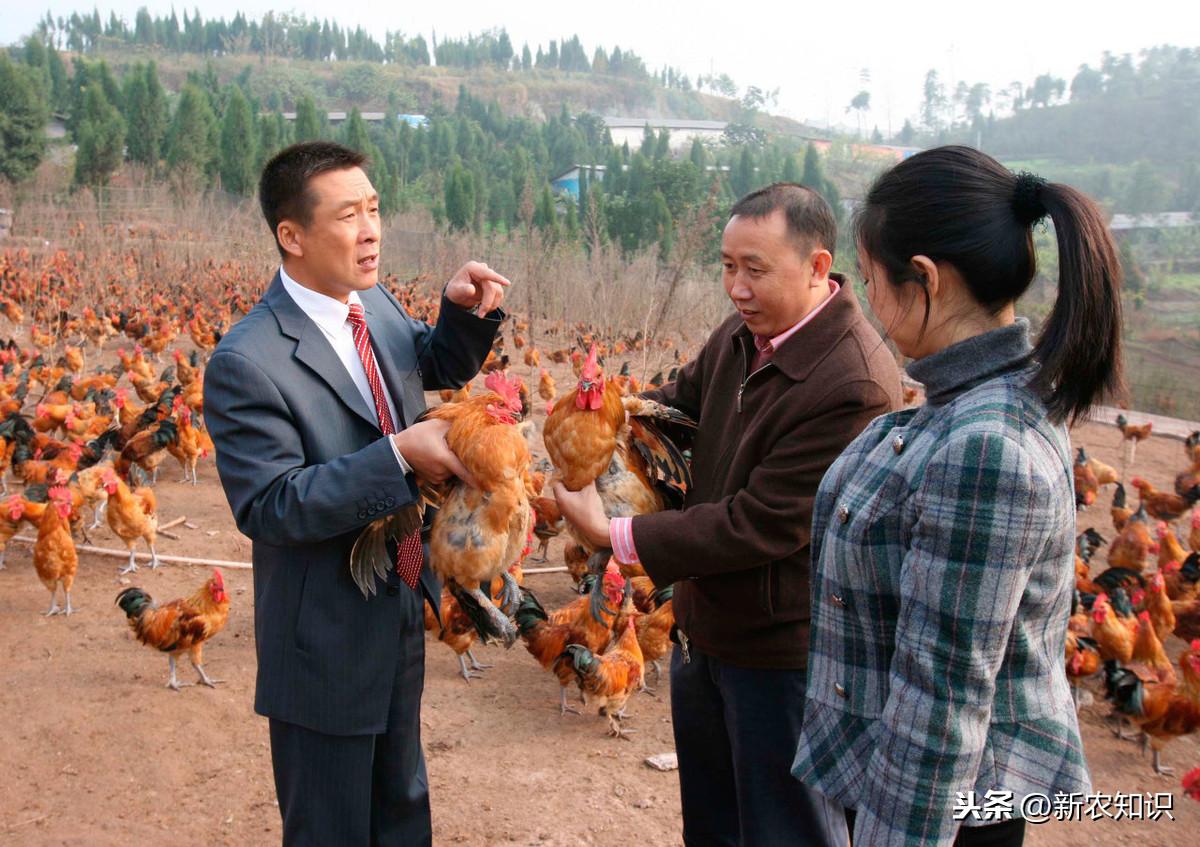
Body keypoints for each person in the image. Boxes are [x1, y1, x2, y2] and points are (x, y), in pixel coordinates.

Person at [554, 183, 901, 846]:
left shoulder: (852, 381)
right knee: (712, 827)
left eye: (755, 269)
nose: (736, 287)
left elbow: (762, 521)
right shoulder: (746, 333)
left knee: (783, 831)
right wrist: (599, 429)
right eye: (727, 265)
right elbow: (676, 404)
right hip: (706, 632)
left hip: (784, 658)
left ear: (818, 267)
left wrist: (611, 532)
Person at [793, 146, 1114, 846]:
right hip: (906, 787)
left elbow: (940, 711)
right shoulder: (970, 405)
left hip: (944, 812)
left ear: (926, 279)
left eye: (873, 279)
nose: (869, 302)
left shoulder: (985, 446)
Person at [204, 141, 510, 847]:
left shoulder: (370, 305)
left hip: (398, 608)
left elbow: (423, 363)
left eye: (374, 209)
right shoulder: (248, 360)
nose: (371, 228)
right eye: (348, 215)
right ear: (293, 235)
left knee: (401, 809)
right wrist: (401, 456)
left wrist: (461, 316)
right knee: (333, 827)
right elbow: (272, 505)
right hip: (324, 640)